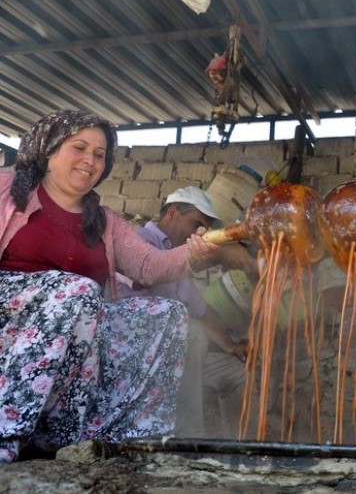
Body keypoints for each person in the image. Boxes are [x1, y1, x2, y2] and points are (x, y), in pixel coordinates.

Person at [0, 110, 221, 463]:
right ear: (48, 150)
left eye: (100, 154)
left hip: (78, 325)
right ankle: (7, 430)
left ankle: (129, 436)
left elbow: (150, 266)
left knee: (165, 313)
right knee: (77, 292)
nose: (90, 160)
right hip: (11, 318)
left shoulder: (104, 221)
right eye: (79, 147)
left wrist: (195, 253)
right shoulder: (8, 189)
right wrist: (65, 293)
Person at [116, 186, 253, 438]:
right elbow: (152, 272)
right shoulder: (140, 241)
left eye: (205, 229)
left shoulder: (182, 257)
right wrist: (219, 253)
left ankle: (238, 445)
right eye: (196, 224)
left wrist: (230, 345)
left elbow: (200, 311)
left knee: (239, 372)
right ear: (172, 212)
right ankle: (187, 437)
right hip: (137, 355)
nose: (199, 233)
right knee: (193, 334)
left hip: (176, 358)